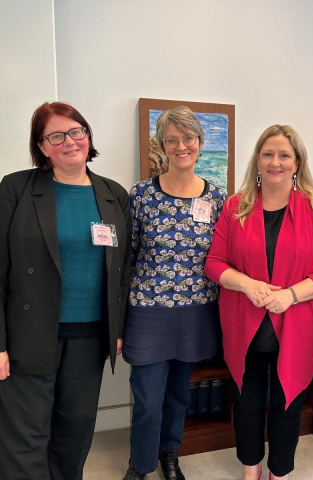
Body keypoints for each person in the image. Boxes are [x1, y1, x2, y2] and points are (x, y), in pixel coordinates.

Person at [0, 102, 131, 480]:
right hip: (28, 334)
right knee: (25, 435)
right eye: (55, 136)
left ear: (88, 136)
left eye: (76, 132)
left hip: (89, 336)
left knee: (74, 432)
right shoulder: (16, 188)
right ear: (41, 146)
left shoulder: (113, 194)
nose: (69, 141)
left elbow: (121, 271)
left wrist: (117, 329)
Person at [205, 125, 313, 480]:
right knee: (246, 402)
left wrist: (291, 294)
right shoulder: (236, 207)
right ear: (257, 159)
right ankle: (251, 470)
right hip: (244, 323)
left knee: (288, 404)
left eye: (284, 155)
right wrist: (247, 284)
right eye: (268, 154)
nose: (276, 162)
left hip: (296, 324)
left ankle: (278, 473)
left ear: (297, 162)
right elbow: (214, 264)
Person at [122, 106, 226, 480]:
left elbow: (224, 256)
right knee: (148, 399)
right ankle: (141, 463)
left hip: (195, 312)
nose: (181, 146)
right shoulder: (141, 196)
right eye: (172, 139)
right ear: (163, 146)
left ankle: (169, 454)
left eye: (188, 138)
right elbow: (128, 258)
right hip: (148, 311)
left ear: (200, 143)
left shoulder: (217, 199)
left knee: (180, 394)